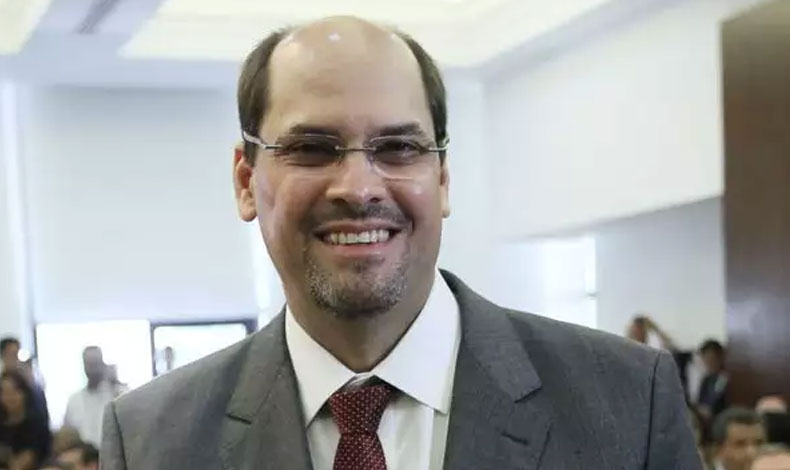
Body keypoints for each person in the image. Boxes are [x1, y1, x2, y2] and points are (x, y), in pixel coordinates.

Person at [100, 16, 701, 469]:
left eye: (399, 148)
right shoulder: (152, 440)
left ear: (442, 179)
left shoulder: (627, 403)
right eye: (311, 148)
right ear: (245, 182)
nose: (359, 188)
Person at [63, 347, 115, 446]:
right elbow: (67, 435)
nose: (93, 369)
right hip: (82, 454)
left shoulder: (114, 398)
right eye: (89, 364)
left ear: (103, 364)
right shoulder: (74, 401)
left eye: (96, 364)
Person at [0, 371, 51, 470]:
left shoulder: (36, 424)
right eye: (4, 392)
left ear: (24, 393)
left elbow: (25, 462)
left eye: (14, 391)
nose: (9, 397)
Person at [698, 340, 729, 420]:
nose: (709, 363)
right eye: (706, 360)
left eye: (711, 359)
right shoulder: (706, 379)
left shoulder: (724, 378)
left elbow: (715, 400)